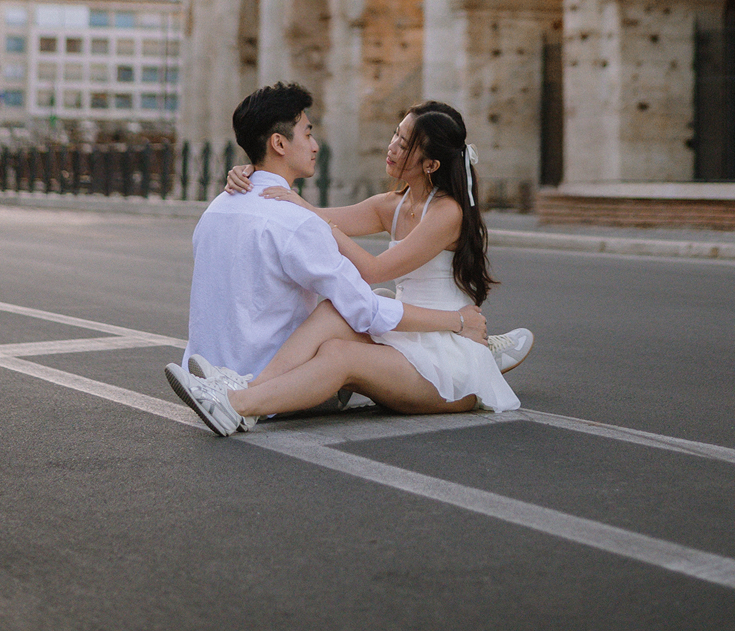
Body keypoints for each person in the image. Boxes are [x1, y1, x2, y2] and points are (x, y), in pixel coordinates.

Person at [177, 97, 531, 438]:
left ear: (430, 164)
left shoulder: (447, 212)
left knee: (340, 353)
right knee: (334, 311)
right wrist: (254, 171)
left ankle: (238, 404)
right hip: (411, 338)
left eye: (404, 143)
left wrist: (311, 218)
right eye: (396, 133)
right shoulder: (391, 204)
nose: (392, 146)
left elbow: (374, 269)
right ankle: (246, 385)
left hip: (448, 358)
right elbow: (312, 216)